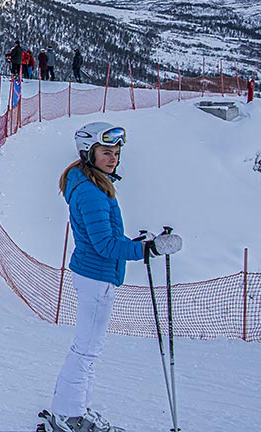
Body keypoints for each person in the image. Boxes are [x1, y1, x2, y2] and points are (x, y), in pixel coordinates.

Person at [45, 122, 181, 432]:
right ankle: (68, 415)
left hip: (96, 274)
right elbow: (105, 246)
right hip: (96, 277)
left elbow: (105, 239)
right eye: (106, 152)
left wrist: (138, 244)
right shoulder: (91, 193)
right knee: (86, 349)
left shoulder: (92, 183)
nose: (114, 158)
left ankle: (75, 409)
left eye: (117, 152)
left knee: (89, 349)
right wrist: (150, 250)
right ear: (88, 152)